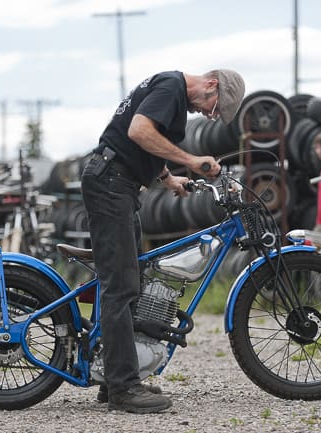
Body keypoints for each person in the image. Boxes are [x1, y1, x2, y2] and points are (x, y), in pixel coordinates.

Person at [81, 69, 245, 414]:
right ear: (211, 84)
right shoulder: (171, 87)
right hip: (111, 184)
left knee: (131, 279)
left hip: (118, 183)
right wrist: (191, 161)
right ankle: (123, 388)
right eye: (215, 108)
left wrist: (168, 179)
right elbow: (138, 130)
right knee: (120, 286)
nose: (209, 115)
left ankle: (115, 376)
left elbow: (143, 140)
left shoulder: (171, 92)